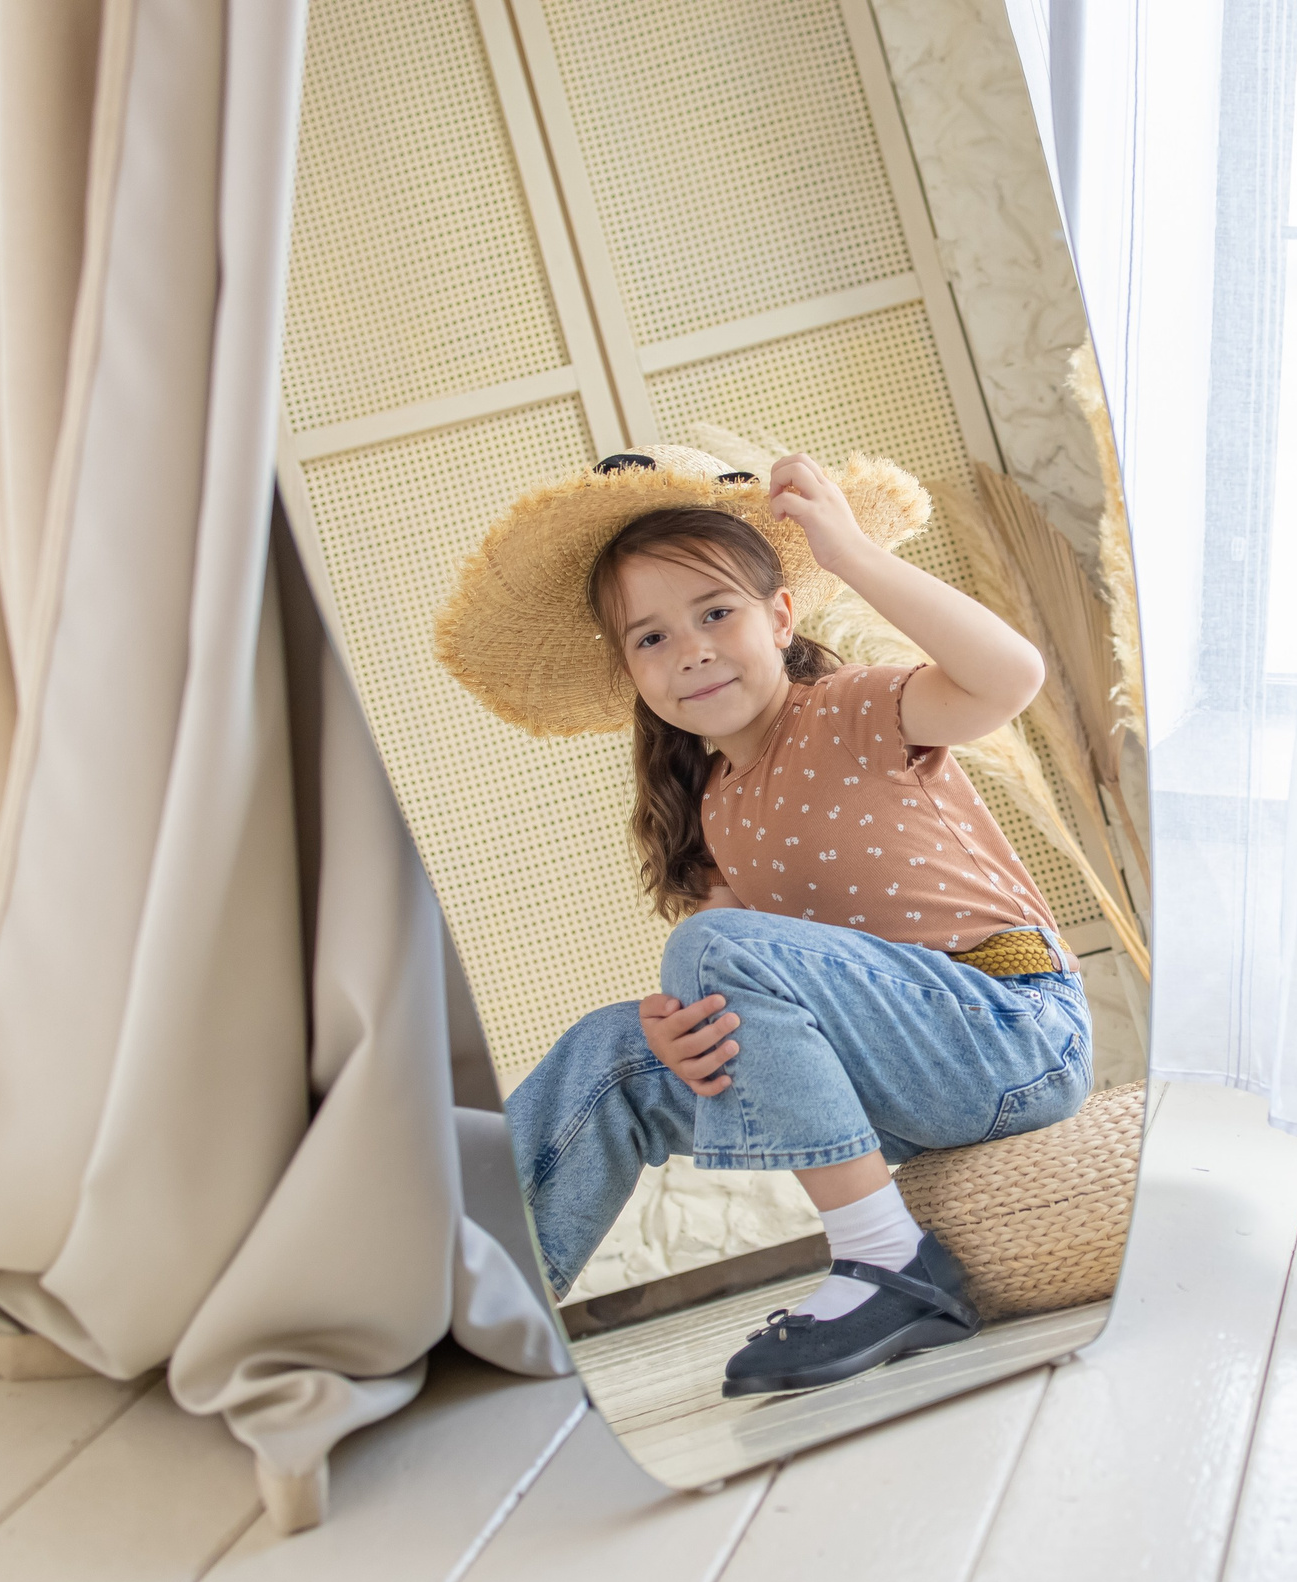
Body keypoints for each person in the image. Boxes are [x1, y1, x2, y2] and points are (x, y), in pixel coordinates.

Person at [437, 444, 1092, 1398]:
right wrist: (674, 1020)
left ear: (781, 616)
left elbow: (1009, 675)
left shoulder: (852, 711)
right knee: (615, 1050)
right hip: (892, 1084)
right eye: (651, 638)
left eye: (716, 613)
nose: (691, 648)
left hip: (1011, 1032)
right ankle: (471, 1297)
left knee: (709, 946)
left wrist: (854, 552)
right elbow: (730, 976)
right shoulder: (716, 808)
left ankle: (884, 1258)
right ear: (630, 670)